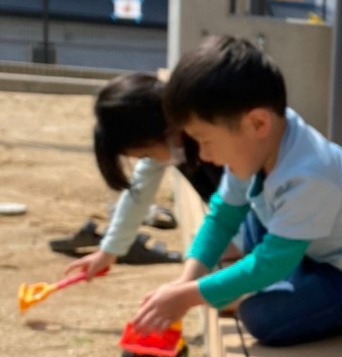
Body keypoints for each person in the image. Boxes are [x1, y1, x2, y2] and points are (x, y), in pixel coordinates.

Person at [130, 36, 342, 347]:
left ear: (258, 123)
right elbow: (222, 218)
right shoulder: (259, 143)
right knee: (249, 216)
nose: (204, 156)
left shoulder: (310, 174)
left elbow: (271, 262)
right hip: (312, 248)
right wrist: (186, 283)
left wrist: (189, 296)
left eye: (205, 140)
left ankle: (299, 295)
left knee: (260, 318)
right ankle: (281, 285)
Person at [60, 72, 223, 280]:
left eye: (147, 154)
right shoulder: (176, 137)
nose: (150, 160)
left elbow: (232, 212)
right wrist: (109, 250)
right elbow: (139, 190)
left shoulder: (220, 148)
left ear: (167, 129)